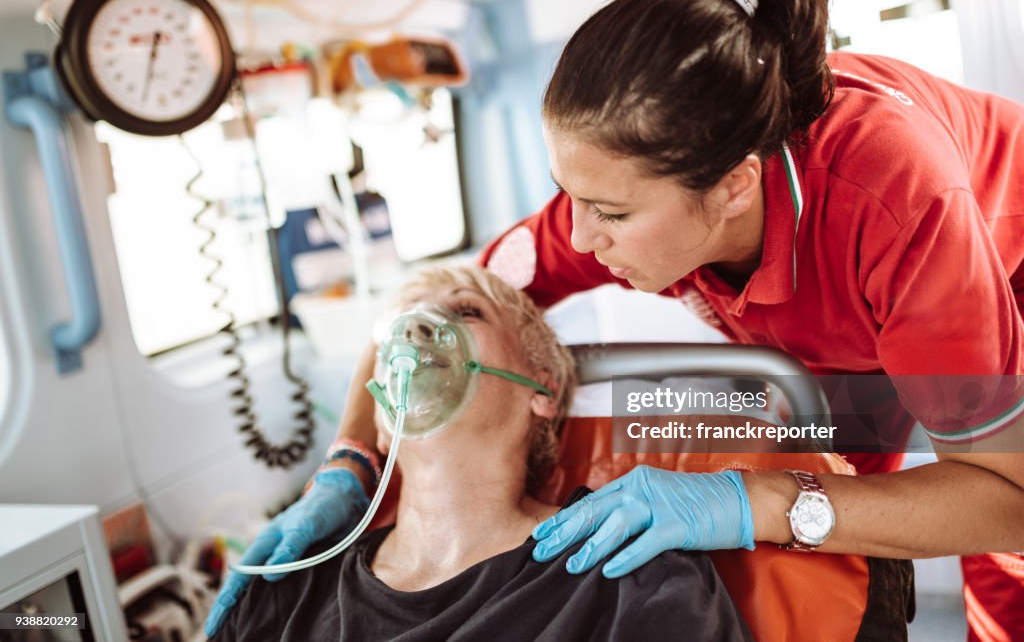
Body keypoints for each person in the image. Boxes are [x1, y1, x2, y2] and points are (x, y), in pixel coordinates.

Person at [208, 0, 1024, 639]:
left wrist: (754, 500)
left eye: (613, 213)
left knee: (1006, 572)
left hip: (994, 286)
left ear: (735, 185)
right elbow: (421, 314)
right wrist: (349, 461)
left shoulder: (903, 206)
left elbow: (1008, 503)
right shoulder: (617, 203)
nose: (581, 238)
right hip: (841, 324)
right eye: (572, 196)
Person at [208, 265, 752, 641]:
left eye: (467, 312)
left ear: (542, 390)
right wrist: (343, 462)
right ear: (377, 412)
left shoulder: (626, 570)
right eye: (408, 322)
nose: (418, 331)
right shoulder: (289, 581)